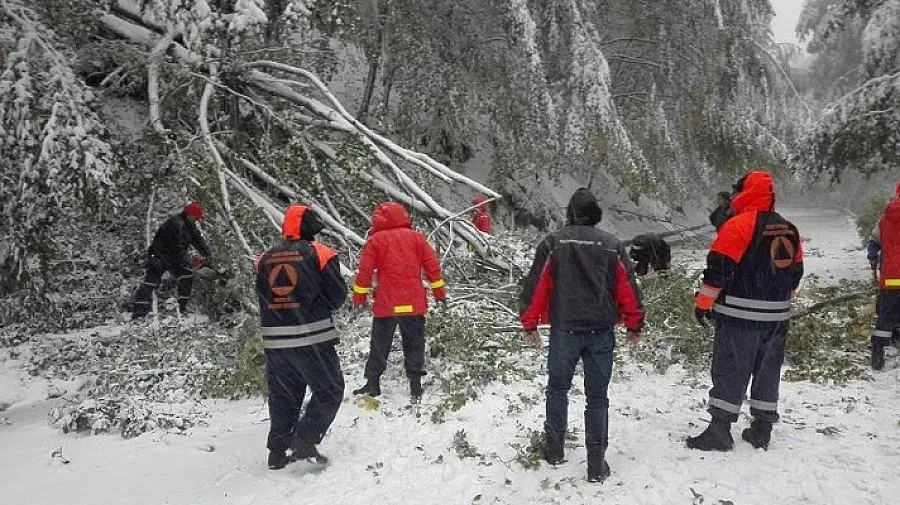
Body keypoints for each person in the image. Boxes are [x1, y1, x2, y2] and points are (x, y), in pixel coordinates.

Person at [519, 188, 644, 483]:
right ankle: (596, 464)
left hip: (565, 330)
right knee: (597, 398)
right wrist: (634, 323)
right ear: (596, 214)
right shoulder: (611, 245)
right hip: (600, 332)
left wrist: (530, 323)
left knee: (557, 388)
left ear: (569, 213)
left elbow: (538, 285)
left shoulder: (553, 243)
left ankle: (554, 450)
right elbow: (627, 287)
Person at [688, 170, 803, 452]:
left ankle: (719, 430)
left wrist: (703, 305)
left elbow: (718, 270)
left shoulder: (739, 226)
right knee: (767, 371)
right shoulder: (789, 228)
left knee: (731, 367)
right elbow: (795, 271)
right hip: (777, 317)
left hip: (741, 314)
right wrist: (778, 299)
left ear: (745, 192)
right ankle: (762, 429)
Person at [255, 204, 347, 470]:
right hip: (312, 338)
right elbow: (337, 295)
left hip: (275, 341)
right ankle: (306, 438)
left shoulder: (265, 258)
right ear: (310, 229)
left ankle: (277, 452)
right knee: (330, 390)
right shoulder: (320, 253)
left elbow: (262, 295)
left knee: (284, 395)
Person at [351, 202, 447, 399]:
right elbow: (433, 268)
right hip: (413, 301)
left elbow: (365, 273)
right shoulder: (417, 238)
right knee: (414, 343)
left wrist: (359, 298)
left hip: (386, 303)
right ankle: (415, 385)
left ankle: (373, 383)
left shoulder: (375, 241)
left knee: (379, 344)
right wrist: (440, 295)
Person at [132, 202, 211, 319]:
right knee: (151, 281)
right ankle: (139, 312)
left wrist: (208, 256)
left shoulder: (189, 225)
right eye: (196, 217)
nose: (197, 220)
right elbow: (176, 248)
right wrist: (190, 261)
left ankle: (180, 309)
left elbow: (198, 241)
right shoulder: (176, 224)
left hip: (174, 257)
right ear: (189, 214)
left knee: (186, 276)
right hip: (159, 255)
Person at [867, 183, 900, 370]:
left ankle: (877, 354)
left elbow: (873, 243)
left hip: (891, 277)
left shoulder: (884, 219)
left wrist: (873, 260)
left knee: (886, 316)